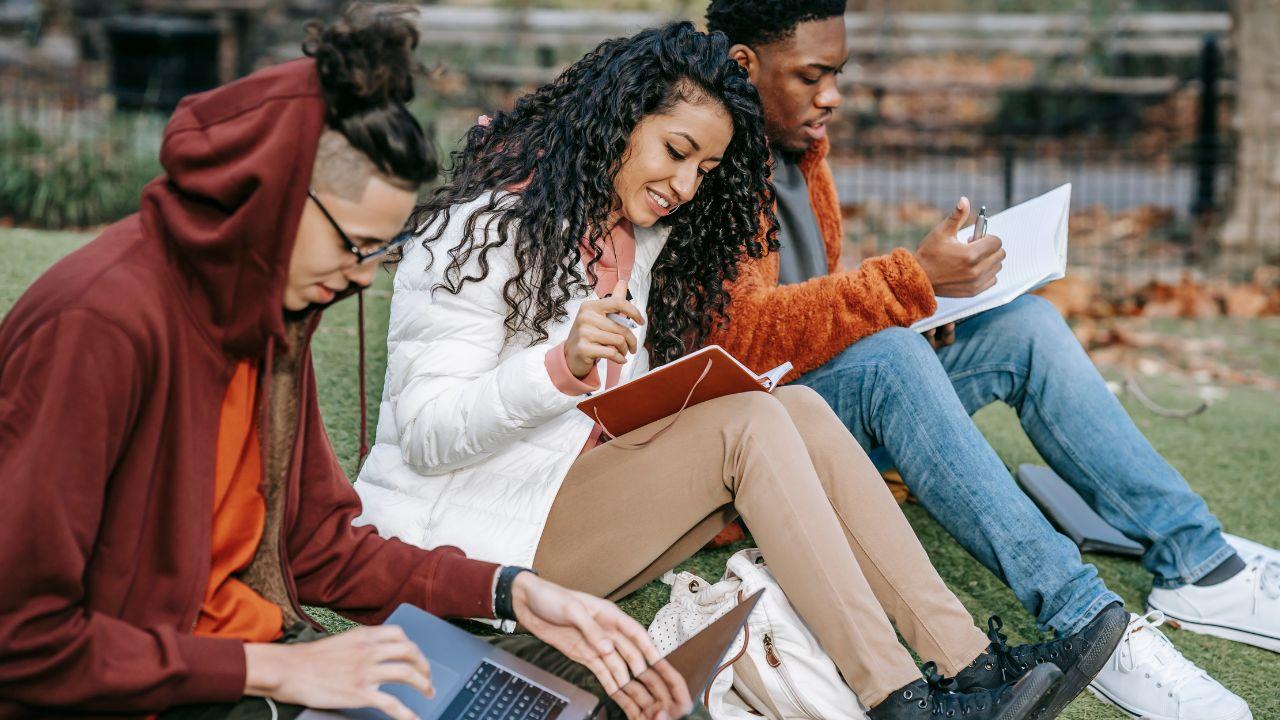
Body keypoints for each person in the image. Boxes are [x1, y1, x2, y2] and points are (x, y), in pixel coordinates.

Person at [353, 22, 1095, 720]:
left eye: (704, 169)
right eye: (674, 151)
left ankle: (969, 667)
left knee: (798, 410)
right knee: (746, 426)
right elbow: (425, 435)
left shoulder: (629, 238)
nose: (684, 184)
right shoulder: (481, 229)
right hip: (467, 555)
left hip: (551, 504)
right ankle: (900, 698)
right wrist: (558, 367)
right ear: (616, 122)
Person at [0, 8, 691, 720]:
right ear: (269, 197)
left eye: (378, 253)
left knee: (586, 693)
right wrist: (271, 670)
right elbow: (22, 636)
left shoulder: (268, 320)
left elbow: (320, 546)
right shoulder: (98, 324)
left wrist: (510, 590)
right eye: (354, 246)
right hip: (155, 692)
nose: (364, 277)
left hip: (254, 659)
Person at [703, 1, 1278, 718]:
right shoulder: (701, 157)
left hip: (825, 394)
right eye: (812, 75)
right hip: (758, 446)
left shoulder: (798, 152)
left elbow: (812, 306)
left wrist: (930, 310)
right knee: (887, 358)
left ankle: (1198, 562)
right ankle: (1087, 625)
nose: (834, 96)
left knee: (1025, 325)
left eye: (839, 73)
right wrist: (907, 285)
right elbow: (738, 342)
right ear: (742, 65)